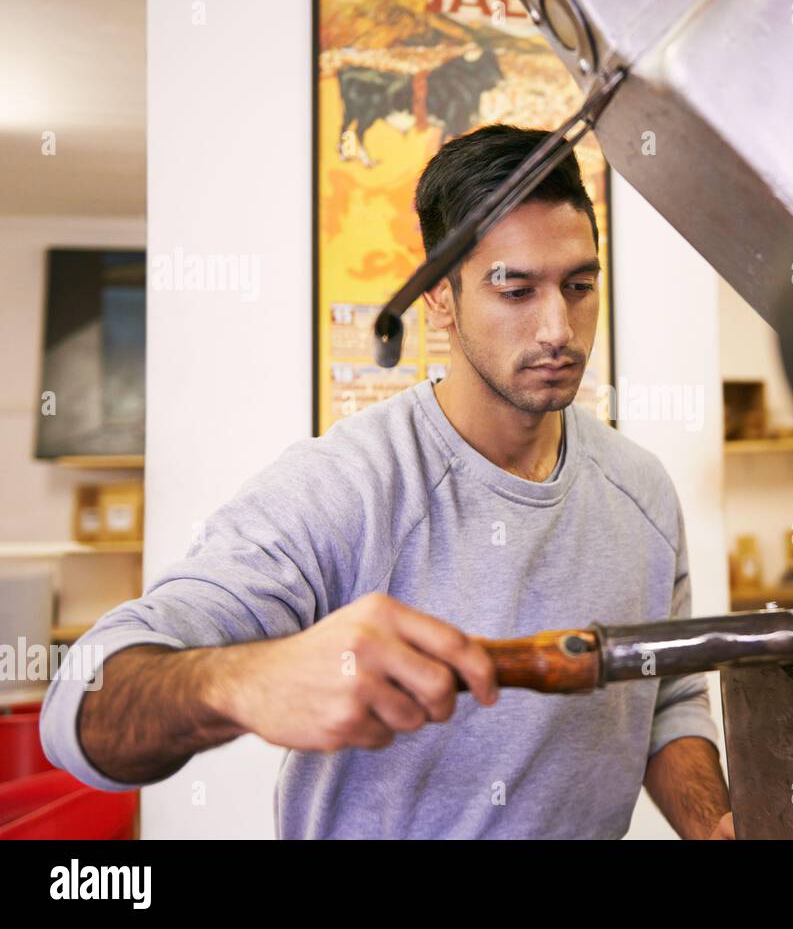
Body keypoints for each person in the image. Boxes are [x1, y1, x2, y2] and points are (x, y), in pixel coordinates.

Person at [40, 124, 734, 840]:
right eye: (516, 289)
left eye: (579, 286)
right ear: (439, 295)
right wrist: (247, 679)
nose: (559, 327)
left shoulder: (642, 490)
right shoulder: (345, 488)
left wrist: (712, 822)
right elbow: (78, 706)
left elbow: (668, 693)